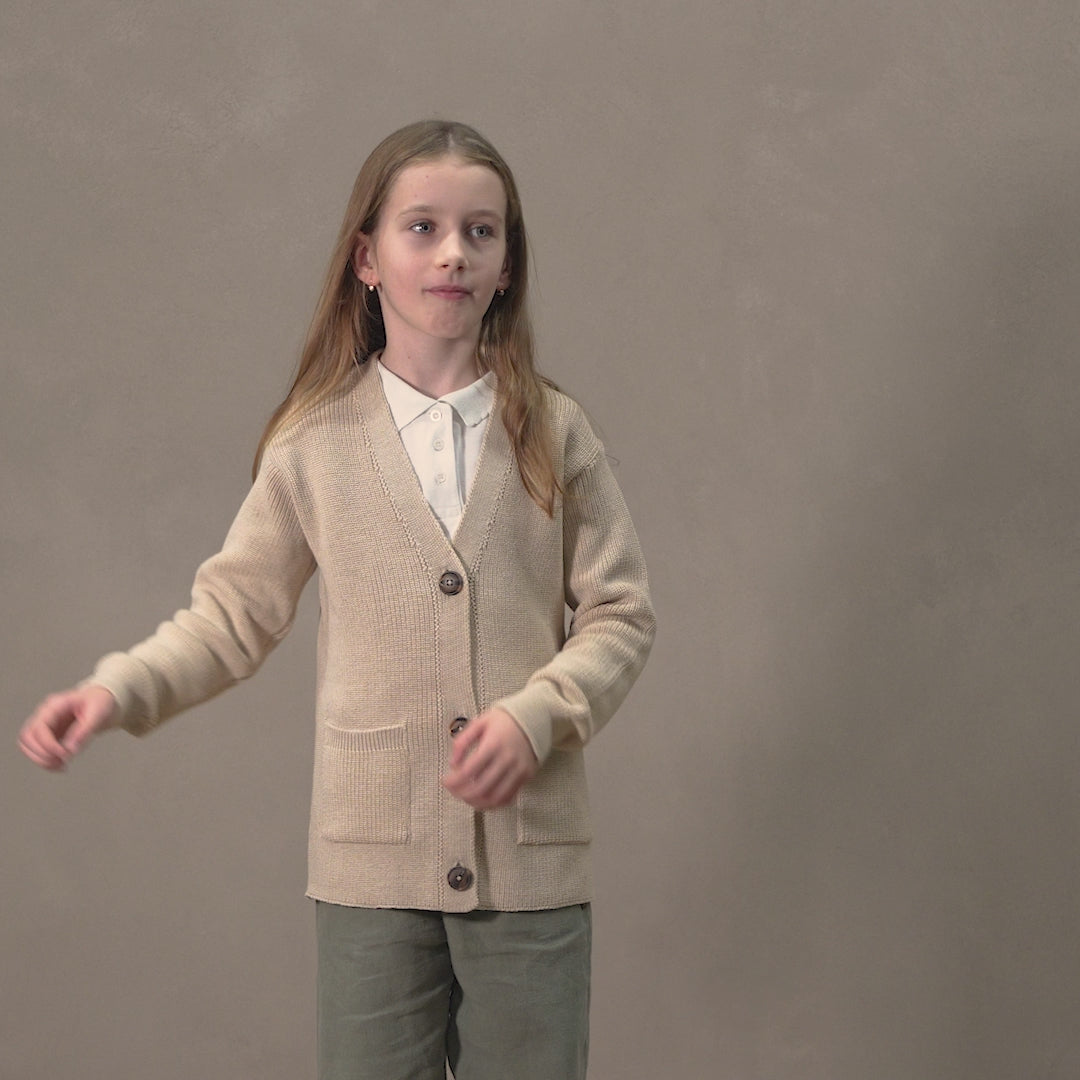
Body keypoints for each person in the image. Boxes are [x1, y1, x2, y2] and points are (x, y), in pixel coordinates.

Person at [18, 119, 655, 1080]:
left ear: (509, 264)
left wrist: (538, 716)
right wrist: (119, 690)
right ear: (367, 257)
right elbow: (230, 617)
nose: (453, 252)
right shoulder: (313, 445)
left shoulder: (554, 434)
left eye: (482, 232)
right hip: (371, 868)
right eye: (423, 227)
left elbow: (621, 613)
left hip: (530, 869)